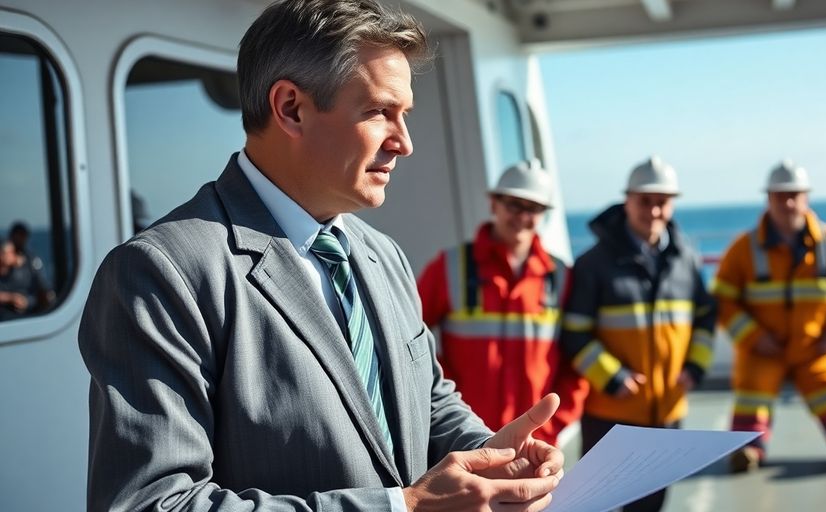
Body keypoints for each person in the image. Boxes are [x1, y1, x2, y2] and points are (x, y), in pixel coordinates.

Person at [78, 1, 563, 510]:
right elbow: (151, 503)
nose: (404, 143)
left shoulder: (384, 256)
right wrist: (402, 506)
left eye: (405, 115)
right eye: (379, 111)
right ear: (290, 108)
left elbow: (428, 399)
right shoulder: (161, 271)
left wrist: (491, 457)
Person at [559, 156, 717, 511]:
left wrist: (695, 368)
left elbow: (707, 317)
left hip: (668, 413)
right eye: (645, 200)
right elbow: (574, 333)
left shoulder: (686, 259)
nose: (654, 210)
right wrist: (613, 378)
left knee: (651, 504)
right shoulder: (593, 264)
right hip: (609, 413)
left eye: (662, 201)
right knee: (599, 500)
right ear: (627, 200)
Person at [711, 160, 826, 472]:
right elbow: (723, 298)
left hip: (816, 346)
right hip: (762, 348)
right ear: (768, 199)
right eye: (779, 196)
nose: (787, 203)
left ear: (806, 197)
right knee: (752, 393)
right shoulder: (744, 248)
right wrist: (753, 337)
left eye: (794, 195)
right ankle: (747, 450)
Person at [418, 160, 588, 446]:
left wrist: (551, 424)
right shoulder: (450, 267)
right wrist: (443, 402)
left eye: (533, 208)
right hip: (463, 438)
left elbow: (577, 358)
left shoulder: (560, 276)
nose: (523, 216)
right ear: (493, 204)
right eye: (513, 205)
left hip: (535, 442)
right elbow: (409, 342)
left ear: (544, 214)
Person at [7, 221, 54, 312]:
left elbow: (42, 285)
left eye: (23, 236)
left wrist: (28, 301)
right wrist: (11, 298)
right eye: (18, 236)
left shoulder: (31, 260)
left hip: (28, 307)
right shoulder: (4, 262)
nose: (20, 239)